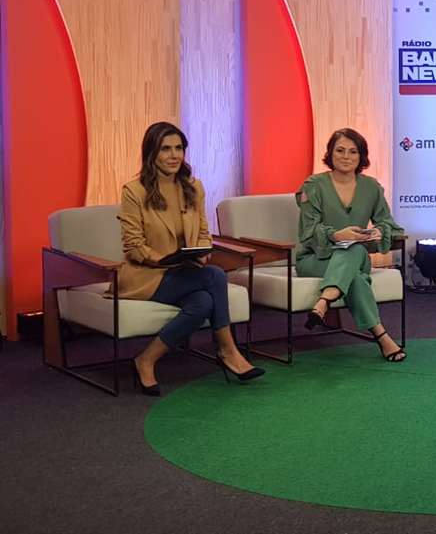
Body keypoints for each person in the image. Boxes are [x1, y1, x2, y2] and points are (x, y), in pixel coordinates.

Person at [124, 122, 264, 396]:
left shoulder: (192, 187)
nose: (174, 155)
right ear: (152, 153)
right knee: (215, 275)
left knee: (202, 303)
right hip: (149, 276)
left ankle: (145, 360)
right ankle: (227, 350)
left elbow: (202, 232)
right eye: (166, 149)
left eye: (179, 148)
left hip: (185, 272)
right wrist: (165, 260)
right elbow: (133, 245)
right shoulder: (134, 191)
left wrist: (201, 252)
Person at [297, 128, 407, 361]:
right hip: (315, 260)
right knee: (355, 275)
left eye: (353, 151)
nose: (346, 156)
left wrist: (379, 231)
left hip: (355, 256)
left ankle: (324, 301)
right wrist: (336, 235)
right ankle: (382, 337)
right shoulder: (313, 185)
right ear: (330, 153)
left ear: (361, 156)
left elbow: (390, 225)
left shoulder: (371, 187)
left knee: (354, 248)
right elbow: (308, 231)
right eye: (340, 150)